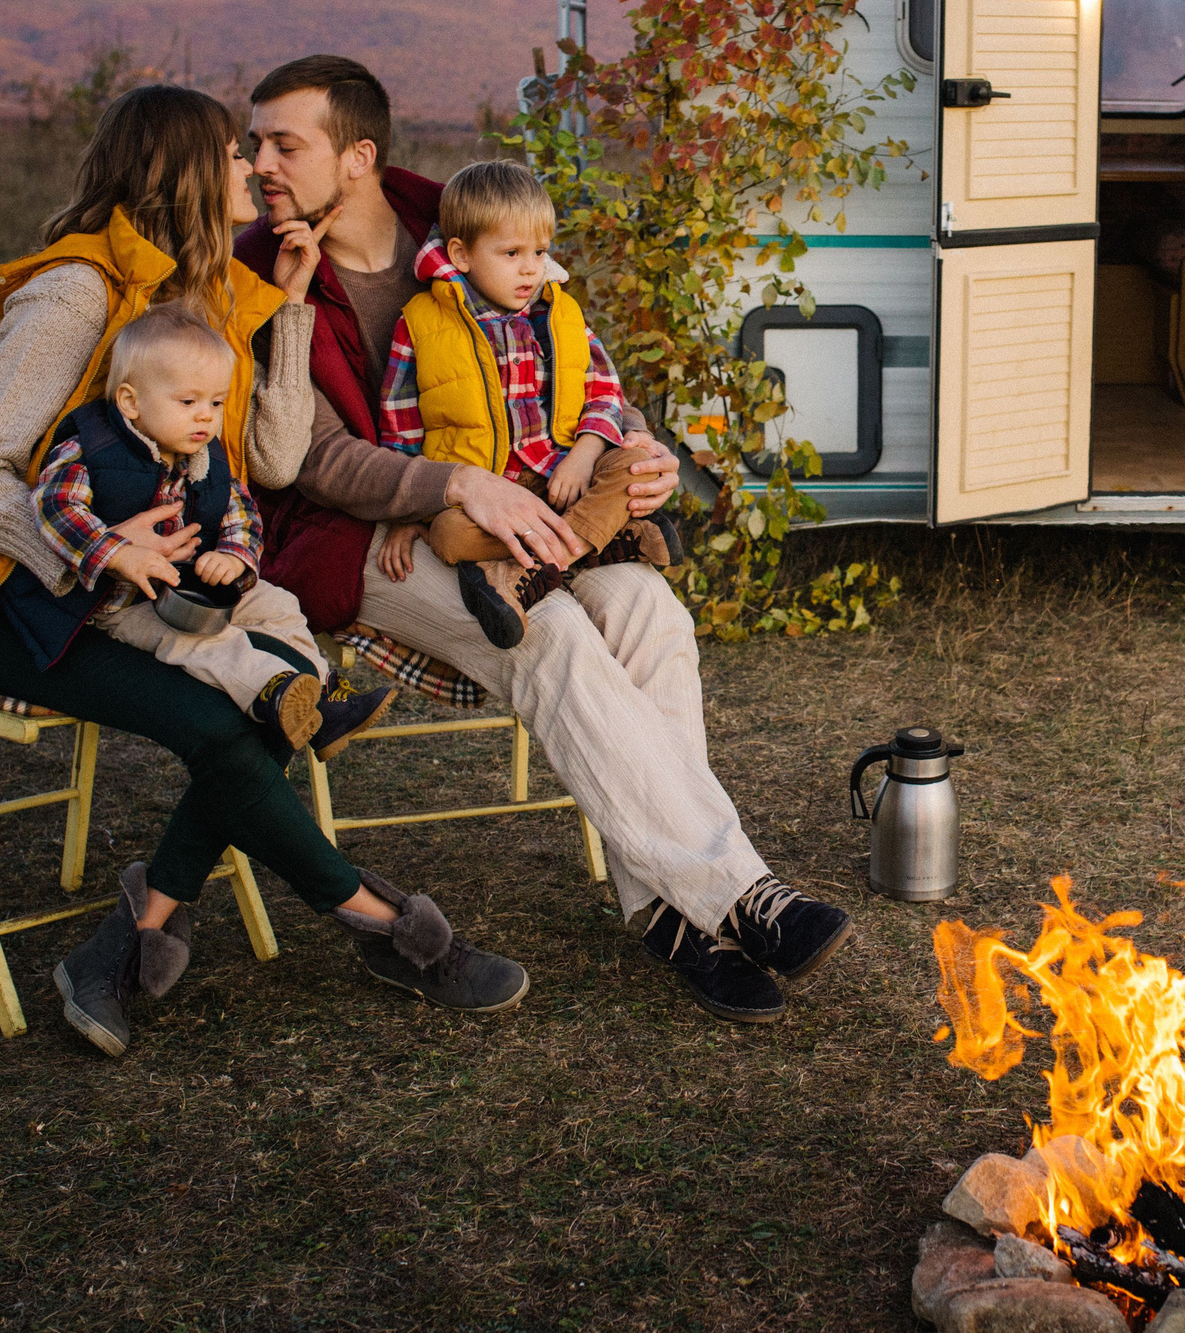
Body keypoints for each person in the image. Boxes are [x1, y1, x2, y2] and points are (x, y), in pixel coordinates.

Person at [0, 83, 527, 1059]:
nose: (252, 168)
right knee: (230, 721)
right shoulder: (77, 292)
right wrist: (107, 559)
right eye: (234, 155)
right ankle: (384, 924)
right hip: (21, 598)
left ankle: (137, 929)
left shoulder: (204, 301)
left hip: (158, 592)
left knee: (260, 700)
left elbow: (272, 462)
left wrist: (283, 315)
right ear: (187, 174)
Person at [235, 55, 851, 1027]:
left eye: (283, 143)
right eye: (254, 142)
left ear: (356, 157)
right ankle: (739, 894)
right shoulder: (263, 271)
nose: (259, 161)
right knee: (551, 632)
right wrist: (444, 486)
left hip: (536, 505)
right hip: (372, 536)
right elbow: (305, 458)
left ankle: (670, 913)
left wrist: (631, 440)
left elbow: (567, 351)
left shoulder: (461, 218)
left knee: (648, 607)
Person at [9, 301, 397, 757]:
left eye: (216, 403)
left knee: (279, 603)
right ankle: (273, 695)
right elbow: (55, 507)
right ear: (131, 402)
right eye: (188, 402)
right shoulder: (91, 450)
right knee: (201, 642)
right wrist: (117, 553)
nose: (205, 417)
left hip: (195, 591)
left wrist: (233, 556)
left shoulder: (205, 458)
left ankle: (325, 696)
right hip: (123, 605)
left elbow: (242, 514)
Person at [377, 160, 672, 653]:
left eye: (539, 251)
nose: (531, 267)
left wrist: (584, 452)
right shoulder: (421, 322)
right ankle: (599, 541)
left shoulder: (561, 312)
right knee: (448, 535)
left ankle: (547, 558)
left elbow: (604, 391)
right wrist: (407, 513)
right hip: (488, 499)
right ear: (461, 253)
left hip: (565, 478)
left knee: (639, 464)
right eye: (511, 252)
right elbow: (400, 425)